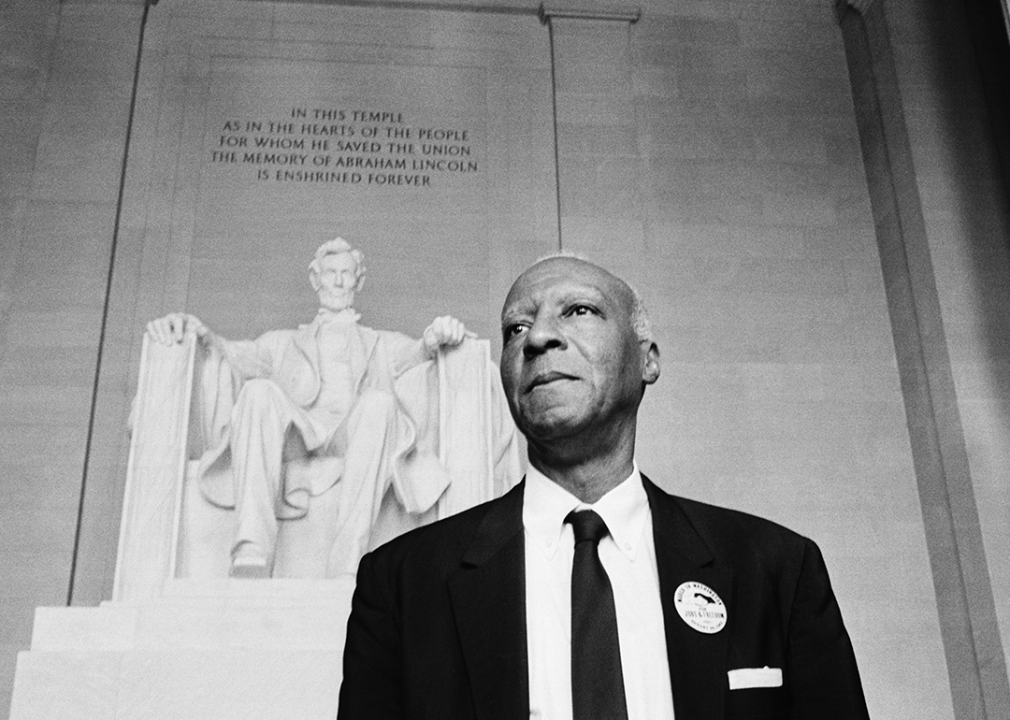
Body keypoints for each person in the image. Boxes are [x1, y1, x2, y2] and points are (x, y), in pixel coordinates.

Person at [337, 256, 870, 719]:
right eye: (516, 328)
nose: (539, 337)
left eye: (578, 311)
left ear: (648, 359)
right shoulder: (403, 584)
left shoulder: (776, 568)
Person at [147, 238, 471, 578]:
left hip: (354, 435)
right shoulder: (280, 342)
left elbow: (418, 352)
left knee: (380, 403)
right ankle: (251, 549)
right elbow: (236, 355)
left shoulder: (381, 343)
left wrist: (437, 336)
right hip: (297, 435)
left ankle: (349, 560)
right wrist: (202, 334)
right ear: (316, 279)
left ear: (358, 281)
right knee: (258, 392)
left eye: (347, 274)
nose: (338, 281)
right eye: (331, 273)